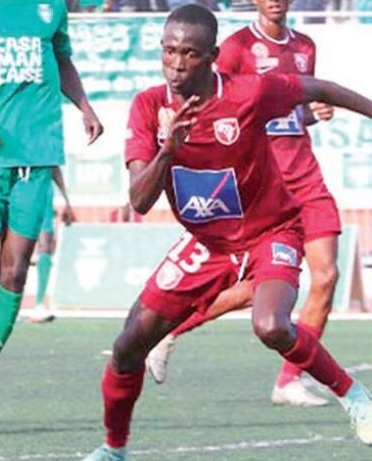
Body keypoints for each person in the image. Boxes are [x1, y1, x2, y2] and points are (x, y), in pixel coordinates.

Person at [81, 5, 372, 460]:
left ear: (212, 56)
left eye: (190, 54)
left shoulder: (250, 93)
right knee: (126, 347)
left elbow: (320, 88)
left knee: (271, 325)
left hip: (269, 230)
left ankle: (354, 395)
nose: (177, 64)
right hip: (207, 243)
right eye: (170, 51)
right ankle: (113, 450)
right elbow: (139, 200)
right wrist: (167, 151)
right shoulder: (149, 106)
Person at [146, 0, 341, 408]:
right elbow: (218, 111)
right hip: (265, 184)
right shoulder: (234, 48)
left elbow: (290, 112)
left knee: (325, 276)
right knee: (256, 289)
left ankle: (289, 381)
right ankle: (171, 327)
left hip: (305, 175)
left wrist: (313, 112)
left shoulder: (305, 46)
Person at [0, 0, 103, 430]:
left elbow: (62, 59)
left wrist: (84, 105)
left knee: (14, 275)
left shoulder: (49, 8)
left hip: (38, 157)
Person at [26, 166, 75, 324]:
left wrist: (67, 200)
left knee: (45, 244)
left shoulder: (48, 143)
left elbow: (54, 167)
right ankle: (6, 305)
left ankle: (39, 304)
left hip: (44, 195)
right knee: (17, 249)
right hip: (20, 192)